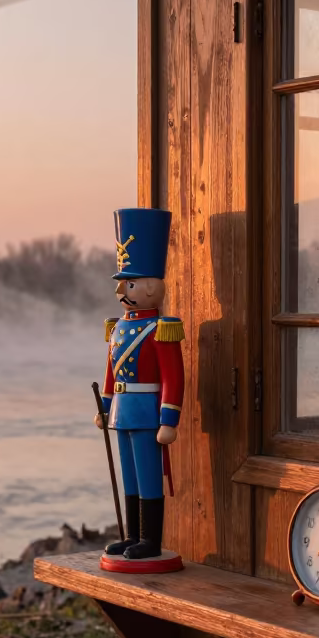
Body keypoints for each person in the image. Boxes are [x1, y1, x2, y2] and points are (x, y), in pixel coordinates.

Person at [95, 208, 185, 571]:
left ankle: (150, 539)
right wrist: (105, 406)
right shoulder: (118, 327)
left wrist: (169, 420)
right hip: (122, 411)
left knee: (148, 476)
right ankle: (133, 535)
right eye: (122, 283)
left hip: (148, 411)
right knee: (129, 475)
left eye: (129, 284)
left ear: (150, 287)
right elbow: (110, 371)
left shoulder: (162, 328)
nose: (121, 290)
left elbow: (173, 378)